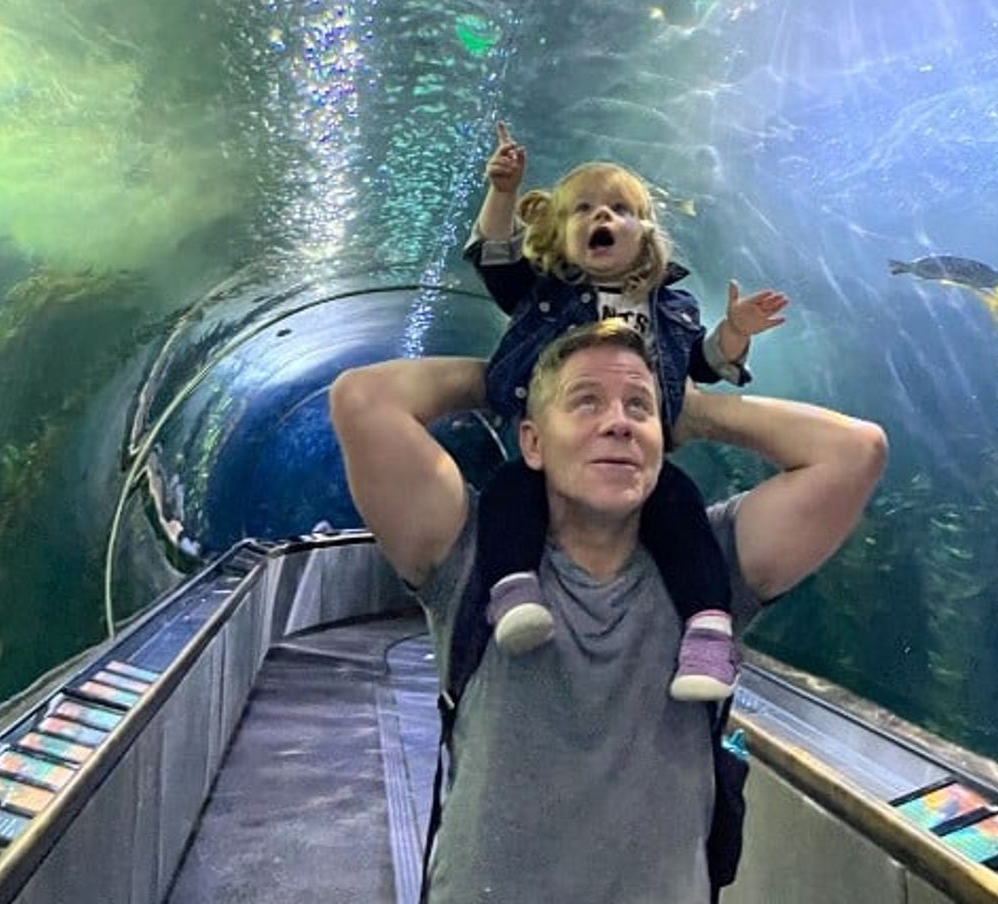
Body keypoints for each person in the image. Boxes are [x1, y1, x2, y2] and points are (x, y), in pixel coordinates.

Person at [330, 318, 887, 904]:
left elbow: (856, 452)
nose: (618, 423)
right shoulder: (471, 556)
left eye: (639, 407)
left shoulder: (713, 564)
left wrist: (694, 411)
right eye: (586, 402)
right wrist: (506, 378)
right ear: (533, 443)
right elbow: (363, 400)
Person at [382, 122, 793, 702]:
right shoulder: (545, 290)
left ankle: (707, 632)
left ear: (645, 233)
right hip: (554, 447)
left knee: (681, 512)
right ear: (558, 233)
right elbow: (496, 260)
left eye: (620, 209)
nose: (603, 216)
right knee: (510, 494)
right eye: (583, 209)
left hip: (635, 456)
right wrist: (503, 191)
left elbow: (701, 364)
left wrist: (735, 332)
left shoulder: (670, 307)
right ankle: (514, 592)